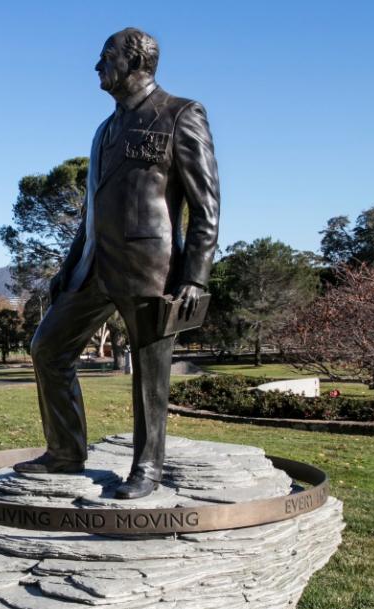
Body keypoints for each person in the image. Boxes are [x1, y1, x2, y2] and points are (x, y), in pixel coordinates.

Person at [15, 27, 220, 499]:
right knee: (47, 348)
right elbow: (91, 209)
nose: (96, 66)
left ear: (135, 63)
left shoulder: (181, 115)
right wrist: (68, 268)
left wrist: (195, 277)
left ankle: (147, 470)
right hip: (93, 267)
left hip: (153, 269)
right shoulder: (103, 130)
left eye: (105, 56)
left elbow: (205, 206)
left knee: (150, 375)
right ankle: (66, 452)